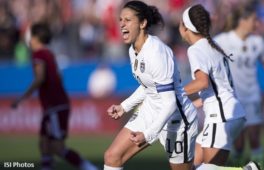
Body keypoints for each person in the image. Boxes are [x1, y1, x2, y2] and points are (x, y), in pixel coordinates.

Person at [103, 1, 199, 170]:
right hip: (150, 110)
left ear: (143, 23)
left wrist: (148, 135)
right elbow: (148, 86)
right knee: (112, 157)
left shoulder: (157, 53)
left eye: (127, 20)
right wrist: (124, 107)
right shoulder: (133, 50)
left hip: (176, 119)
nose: (121, 24)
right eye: (120, 20)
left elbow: (169, 103)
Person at [178, 4, 261, 170]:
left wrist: (175, 95)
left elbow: (202, 82)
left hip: (221, 116)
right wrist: (188, 104)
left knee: (209, 169)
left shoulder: (195, 49)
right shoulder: (212, 44)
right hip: (231, 113)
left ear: (186, 27)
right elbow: (215, 90)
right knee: (192, 165)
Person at [11, 23, 98, 170]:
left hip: (54, 106)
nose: (29, 40)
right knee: (44, 143)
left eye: (31, 36)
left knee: (57, 147)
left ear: (36, 38)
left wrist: (22, 98)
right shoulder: (49, 54)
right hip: (55, 104)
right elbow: (59, 76)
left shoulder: (38, 54)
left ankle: (89, 168)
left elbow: (40, 78)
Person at [214, 2, 264, 169]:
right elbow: (209, 54)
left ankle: (259, 165)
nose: (257, 23)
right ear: (242, 21)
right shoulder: (223, 40)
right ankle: (238, 164)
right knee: (238, 142)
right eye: (254, 20)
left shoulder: (257, 42)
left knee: (254, 136)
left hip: (252, 95)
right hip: (233, 97)